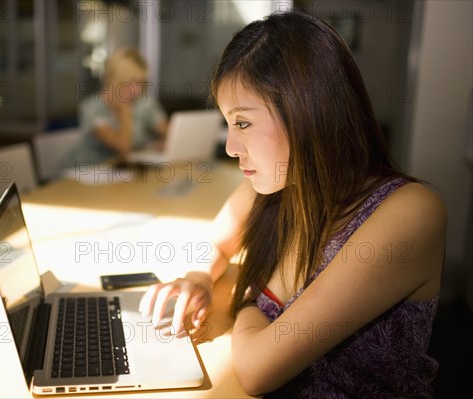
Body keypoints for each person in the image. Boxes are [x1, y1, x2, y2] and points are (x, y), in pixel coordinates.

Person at [139, 11, 446, 398]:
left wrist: (245, 296)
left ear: (308, 111)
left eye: (243, 123)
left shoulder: (409, 213)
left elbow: (256, 371)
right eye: (228, 124)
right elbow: (215, 243)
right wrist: (199, 278)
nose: (232, 147)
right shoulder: (279, 186)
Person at [63, 49, 168, 166]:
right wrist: (125, 110)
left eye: (140, 83)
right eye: (131, 82)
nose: (137, 90)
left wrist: (162, 143)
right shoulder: (92, 107)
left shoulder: (143, 103)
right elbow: (124, 148)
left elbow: (169, 133)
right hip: (85, 173)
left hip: (123, 173)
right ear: (114, 80)